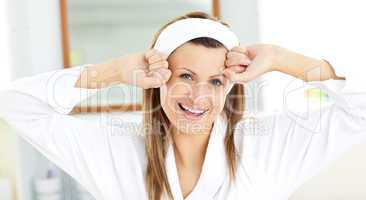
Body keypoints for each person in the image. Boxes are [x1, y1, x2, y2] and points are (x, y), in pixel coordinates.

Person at [0, 11, 365, 200]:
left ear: (230, 88)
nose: (198, 98)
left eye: (215, 81)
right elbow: (17, 104)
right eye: (186, 76)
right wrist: (112, 71)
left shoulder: (267, 149)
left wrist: (284, 59)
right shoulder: (115, 150)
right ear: (161, 78)